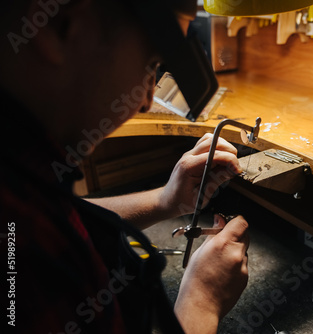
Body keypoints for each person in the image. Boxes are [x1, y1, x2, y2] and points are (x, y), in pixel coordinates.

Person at [0, 0, 249, 333]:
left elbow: (59, 214)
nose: (146, 101)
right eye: (151, 64)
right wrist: (201, 302)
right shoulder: (24, 249)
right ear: (60, 26)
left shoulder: (23, 181)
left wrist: (165, 201)